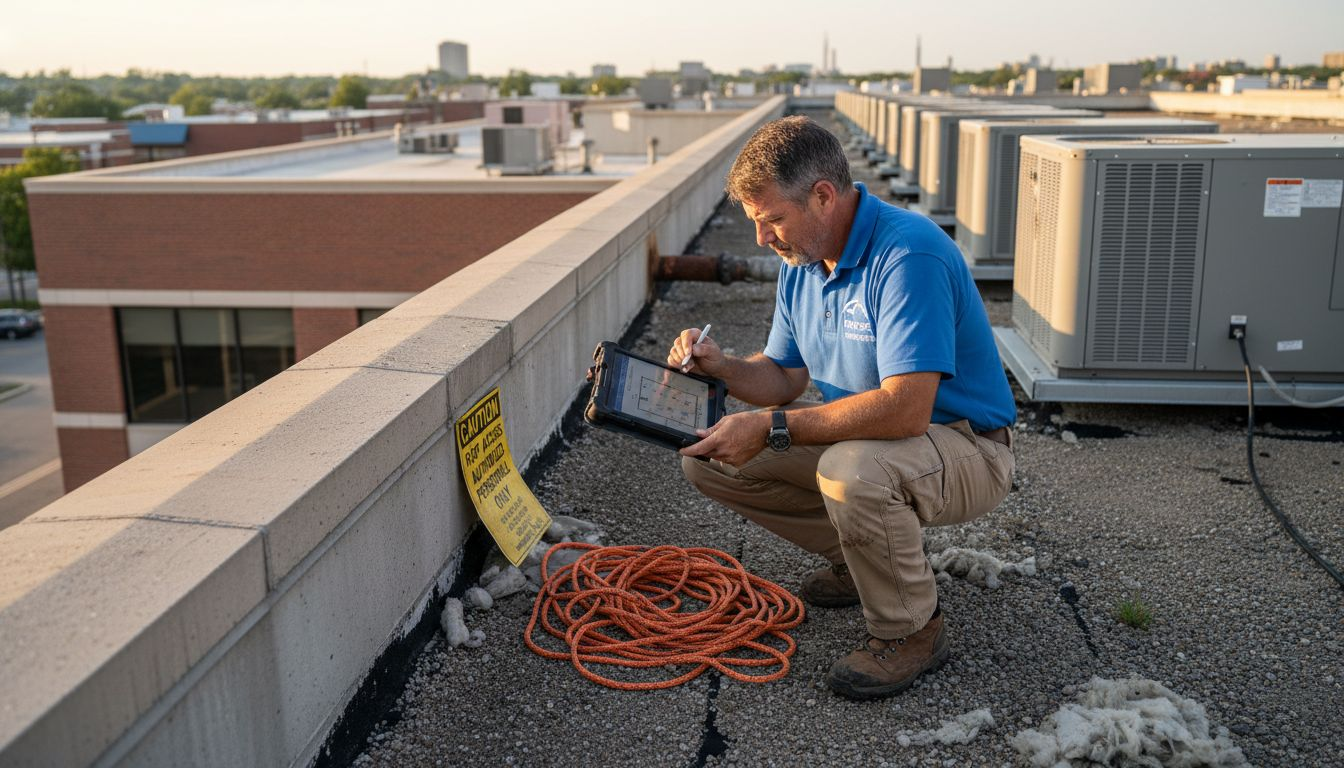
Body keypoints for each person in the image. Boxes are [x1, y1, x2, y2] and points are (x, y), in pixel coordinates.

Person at [667, 115, 1016, 700]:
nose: (762, 239)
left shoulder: (909, 255)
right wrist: (722, 368)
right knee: (708, 455)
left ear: (823, 196)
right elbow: (782, 377)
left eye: (772, 219)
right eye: (755, 223)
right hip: (875, 443)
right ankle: (870, 565)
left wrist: (773, 427)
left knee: (848, 472)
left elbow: (906, 410)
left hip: (965, 446)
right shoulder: (803, 263)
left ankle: (912, 628)